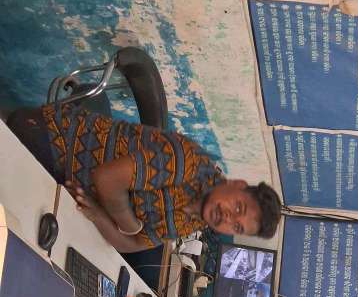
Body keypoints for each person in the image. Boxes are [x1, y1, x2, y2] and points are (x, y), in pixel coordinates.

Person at [6, 104, 282, 252]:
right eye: (238, 207)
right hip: (54, 143)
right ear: (237, 185)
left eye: (237, 226)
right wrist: (130, 223)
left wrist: (100, 216)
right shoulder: (186, 163)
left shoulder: (196, 219)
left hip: (63, 190)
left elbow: (132, 245)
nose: (228, 218)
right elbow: (106, 179)